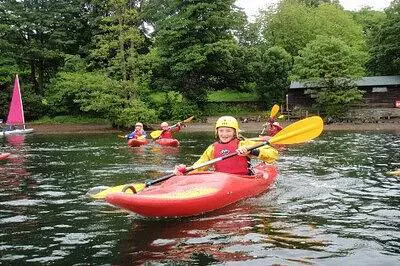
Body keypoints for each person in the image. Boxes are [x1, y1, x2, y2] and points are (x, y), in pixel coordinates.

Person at [173, 116, 279, 176]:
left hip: (243, 179)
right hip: (221, 181)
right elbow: (201, 165)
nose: (224, 134)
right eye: (221, 131)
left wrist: (252, 152)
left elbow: (273, 154)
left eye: (228, 131)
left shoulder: (243, 143)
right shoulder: (212, 148)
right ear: (217, 132)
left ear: (235, 132)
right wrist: (185, 171)